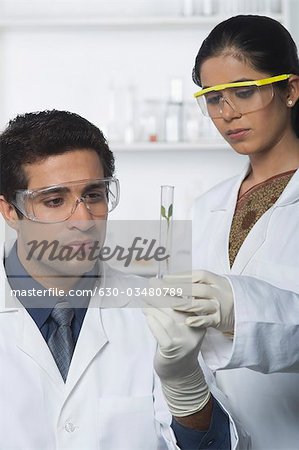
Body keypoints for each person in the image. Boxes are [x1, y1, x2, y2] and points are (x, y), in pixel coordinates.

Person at [0, 110, 245, 449]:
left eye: (94, 195)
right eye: (55, 201)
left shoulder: (150, 309)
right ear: (10, 211)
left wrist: (185, 386)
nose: (84, 219)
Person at [154, 14, 299, 450]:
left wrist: (237, 307)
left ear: (290, 89)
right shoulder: (203, 207)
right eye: (213, 98)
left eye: (244, 91)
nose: (227, 113)